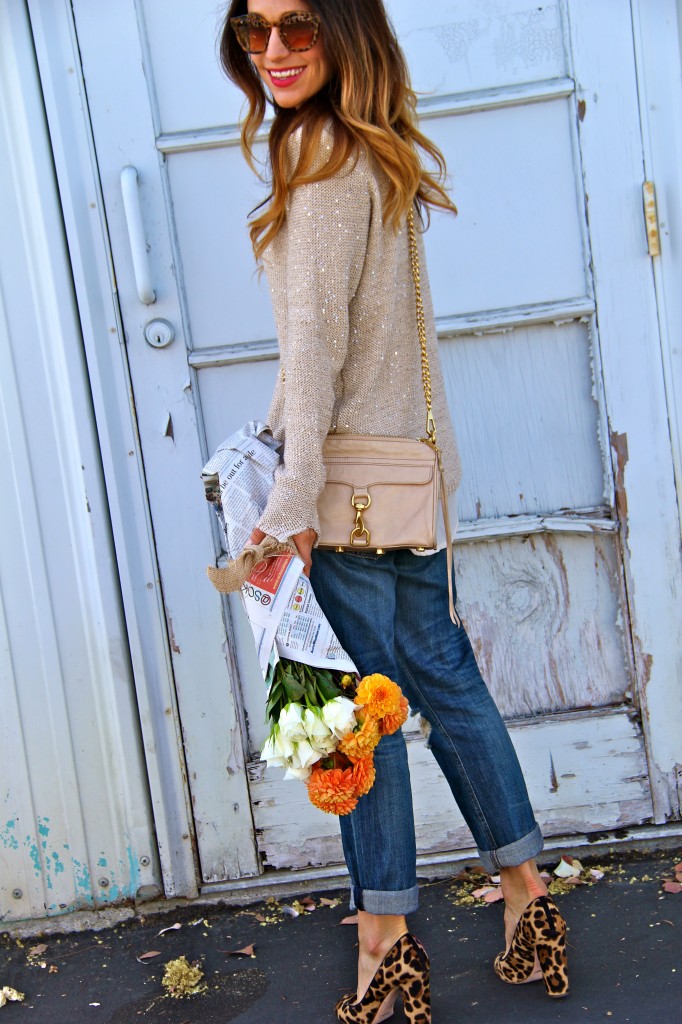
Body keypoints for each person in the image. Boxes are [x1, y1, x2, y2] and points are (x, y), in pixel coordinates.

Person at [220, 2, 569, 1020]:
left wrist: (288, 497)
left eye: (298, 28)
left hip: (336, 493)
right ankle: (529, 901)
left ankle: (384, 949)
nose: (274, 51)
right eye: (253, 29)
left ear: (344, 32)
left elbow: (318, 341)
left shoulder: (319, 152)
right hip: (402, 475)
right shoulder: (375, 147)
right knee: (449, 687)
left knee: (351, 725)